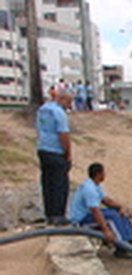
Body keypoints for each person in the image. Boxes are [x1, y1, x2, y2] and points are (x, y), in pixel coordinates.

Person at [70, 163, 132, 258]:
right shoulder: (89, 189)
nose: (105, 175)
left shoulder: (96, 185)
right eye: (103, 173)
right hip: (82, 219)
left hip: (89, 214)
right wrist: (106, 230)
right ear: (98, 174)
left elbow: (106, 200)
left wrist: (120, 207)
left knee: (118, 213)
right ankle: (122, 247)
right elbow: (95, 211)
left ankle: (130, 240)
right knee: (112, 218)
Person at [36, 90, 73, 225]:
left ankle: (49, 213)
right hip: (56, 151)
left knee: (47, 183)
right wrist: (68, 153)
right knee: (60, 184)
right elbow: (63, 135)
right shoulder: (59, 113)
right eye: (69, 102)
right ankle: (58, 215)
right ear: (62, 99)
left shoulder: (43, 110)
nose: (70, 105)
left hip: (43, 149)